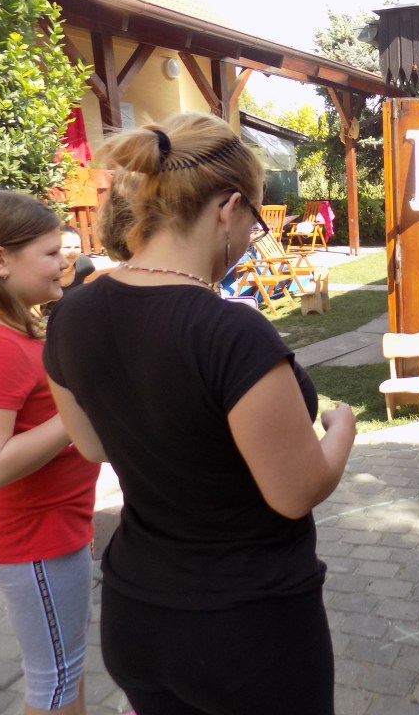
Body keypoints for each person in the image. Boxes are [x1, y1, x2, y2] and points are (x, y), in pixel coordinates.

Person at [42, 112, 356, 715]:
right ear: (228, 207)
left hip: (138, 614)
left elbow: (93, 445)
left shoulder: (73, 313)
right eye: (254, 219)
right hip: (248, 629)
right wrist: (340, 431)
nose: (251, 236)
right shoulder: (229, 331)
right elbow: (295, 492)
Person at [0, 189, 101, 715]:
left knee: (66, 669)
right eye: (52, 252)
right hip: (33, 539)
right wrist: (80, 405)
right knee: (54, 681)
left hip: (54, 531)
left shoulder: (19, 329)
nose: (66, 260)